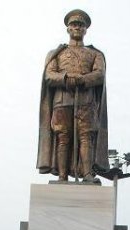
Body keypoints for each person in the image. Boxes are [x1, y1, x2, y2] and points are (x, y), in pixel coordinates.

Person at [37, 9, 109, 183]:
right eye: (74, 24)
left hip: (86, 101)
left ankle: (86, 174)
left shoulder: (95, 54)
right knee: (63, 137)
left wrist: (84, 80)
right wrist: (65, 78)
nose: (77, 27)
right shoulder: (56, 53)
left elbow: (99, 74)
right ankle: (62, 176)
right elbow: (49, 75)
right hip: (62, 101)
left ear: (86, 30)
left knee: (86, 137)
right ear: (68, 28)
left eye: (81, 25)